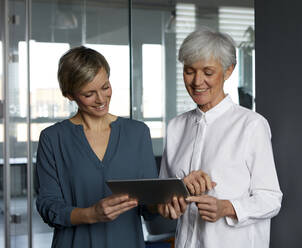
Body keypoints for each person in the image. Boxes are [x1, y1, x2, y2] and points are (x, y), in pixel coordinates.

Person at [158, 29, 283, 248]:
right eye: (189, 71)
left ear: (228, 71)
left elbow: (271, 199)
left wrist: (226, 207)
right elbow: (165, 194)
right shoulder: (176, 126)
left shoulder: (251, 125)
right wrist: (168, 203)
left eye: (208, 72)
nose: (197, 81)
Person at [35, 46, 158, 248]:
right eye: (89, 93)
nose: (101, 99)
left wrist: (164, 204)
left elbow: (148, 205)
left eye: (105, 87)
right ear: (70, 95)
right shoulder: (52, 138)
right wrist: (90, 214)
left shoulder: (138, 133)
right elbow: (48, 206)